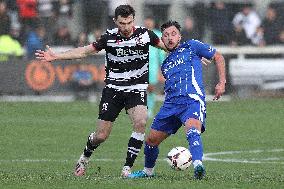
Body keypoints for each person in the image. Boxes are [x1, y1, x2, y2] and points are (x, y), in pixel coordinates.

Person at [35, 5, 166, 177]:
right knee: (101, 135)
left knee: (141, 122)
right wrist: (57, 56)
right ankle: (84, 157)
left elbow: (168, 47)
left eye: (129, 22)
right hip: (113, 90)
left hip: (136, 88)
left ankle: (127, 168)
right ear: (115, 21)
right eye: (122, 23)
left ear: (134, 19)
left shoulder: (145, 35)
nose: (126, 27)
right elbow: (84, 52)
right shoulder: (108, 37)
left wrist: (193, 53)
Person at [127, 20, 226, 180]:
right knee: (151, 140)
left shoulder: (192, 46)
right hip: (171, 105)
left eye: (173, 34)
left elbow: (218, 57)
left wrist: (221, 82)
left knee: (192, 129)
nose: (169, 38)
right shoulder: (165, 64)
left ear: (180, 36)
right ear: (162, 39)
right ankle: (148, 172)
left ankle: (198, 166)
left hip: (191, 100)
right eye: (166, 35)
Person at [143, 17, 166, 118]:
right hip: (140, 65)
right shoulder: (140, 34)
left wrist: (162, 65)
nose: (148, 22)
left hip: (153, 65)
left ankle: (150, 109)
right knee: (141, 88)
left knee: (151, 87)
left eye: (150, 20)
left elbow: (161, 52)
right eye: (147, 20)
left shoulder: (158, 35)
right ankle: (141, 109)